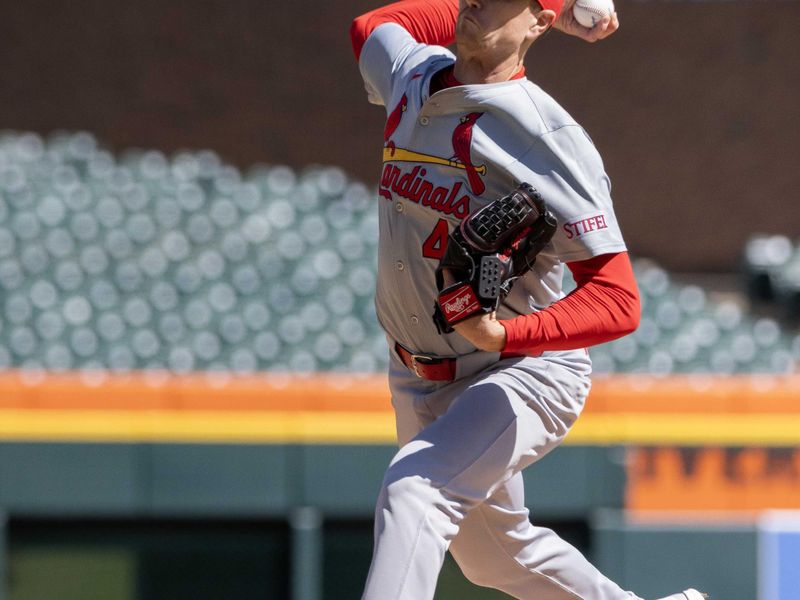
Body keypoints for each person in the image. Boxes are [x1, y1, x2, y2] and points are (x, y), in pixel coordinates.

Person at [349, 1, 705, 599]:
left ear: (535, 22)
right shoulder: (410, 75)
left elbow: (618, 300)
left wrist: (507, 337)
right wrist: (550, 10)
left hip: (522, 370)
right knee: (495, 559)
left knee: (417, 489)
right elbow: (371, 26)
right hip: (416, 371)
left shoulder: (544, 134)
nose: (474, 4)